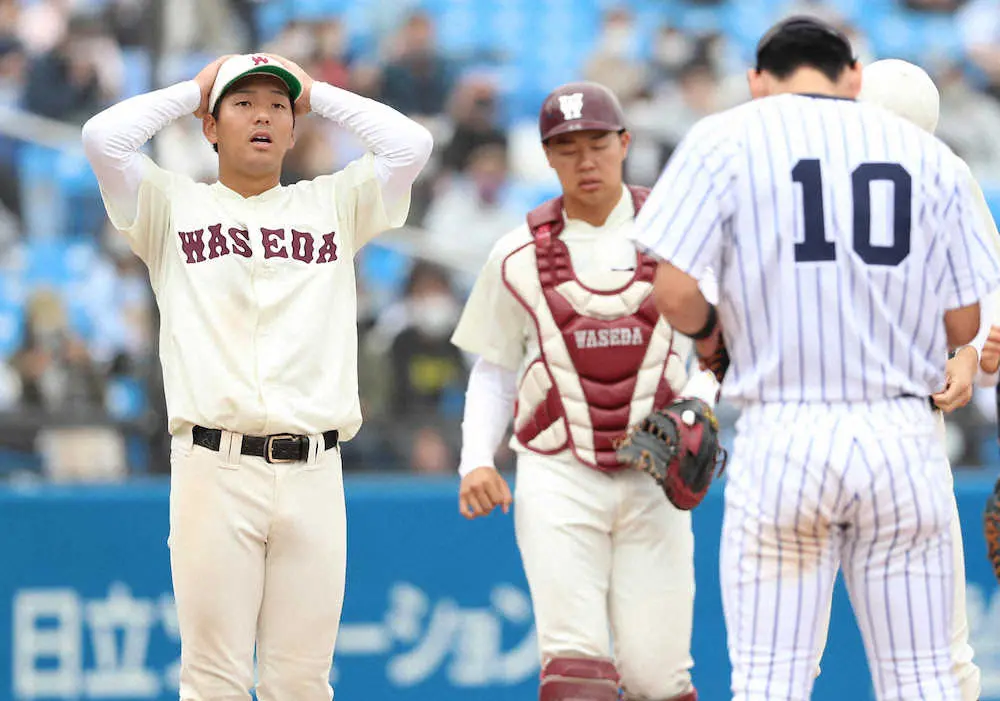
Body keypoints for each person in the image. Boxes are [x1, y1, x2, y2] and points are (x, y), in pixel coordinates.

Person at [628, 16, 1000, 701]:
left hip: (783, 432)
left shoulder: (724, 138)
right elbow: (965, 321)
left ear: (756, 80)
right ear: (852, 77)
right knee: (926, 678)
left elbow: (674, 290)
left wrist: (713, 339)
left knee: (771, 680)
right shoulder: (929, 156)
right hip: (902, 436)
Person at [81, 52, 433, 700]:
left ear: (294, 127)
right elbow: (103, 138)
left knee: (302, 682)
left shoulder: (333, 202)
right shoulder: (170, 204)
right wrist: (194, 89)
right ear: (210, 128)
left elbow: (412, 144)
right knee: (214, 679)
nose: (262, 116)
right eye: (243, 104)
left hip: (316, 467)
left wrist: (316, 92)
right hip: (216, 465)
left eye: (276, 105)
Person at [450, 80, 719, 701]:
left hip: (656, 480)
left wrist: (699, 402)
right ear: (547, 156)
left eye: (597, 143)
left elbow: (720, 346)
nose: (585, 160)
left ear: (624, 143)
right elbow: (493, 367)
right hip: (557, 473)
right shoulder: (515, 252)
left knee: (659, 679)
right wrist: (474, 461)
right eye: (567, 148)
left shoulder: (683, 238)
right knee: (576, 674)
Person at [853, 57, 1000, 701]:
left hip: (903, 426)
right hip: (830, 427)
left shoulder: (944, 177)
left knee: (938, 656)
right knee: (785, 659)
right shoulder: (801, 178)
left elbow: (988, 285)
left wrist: (968, 352)